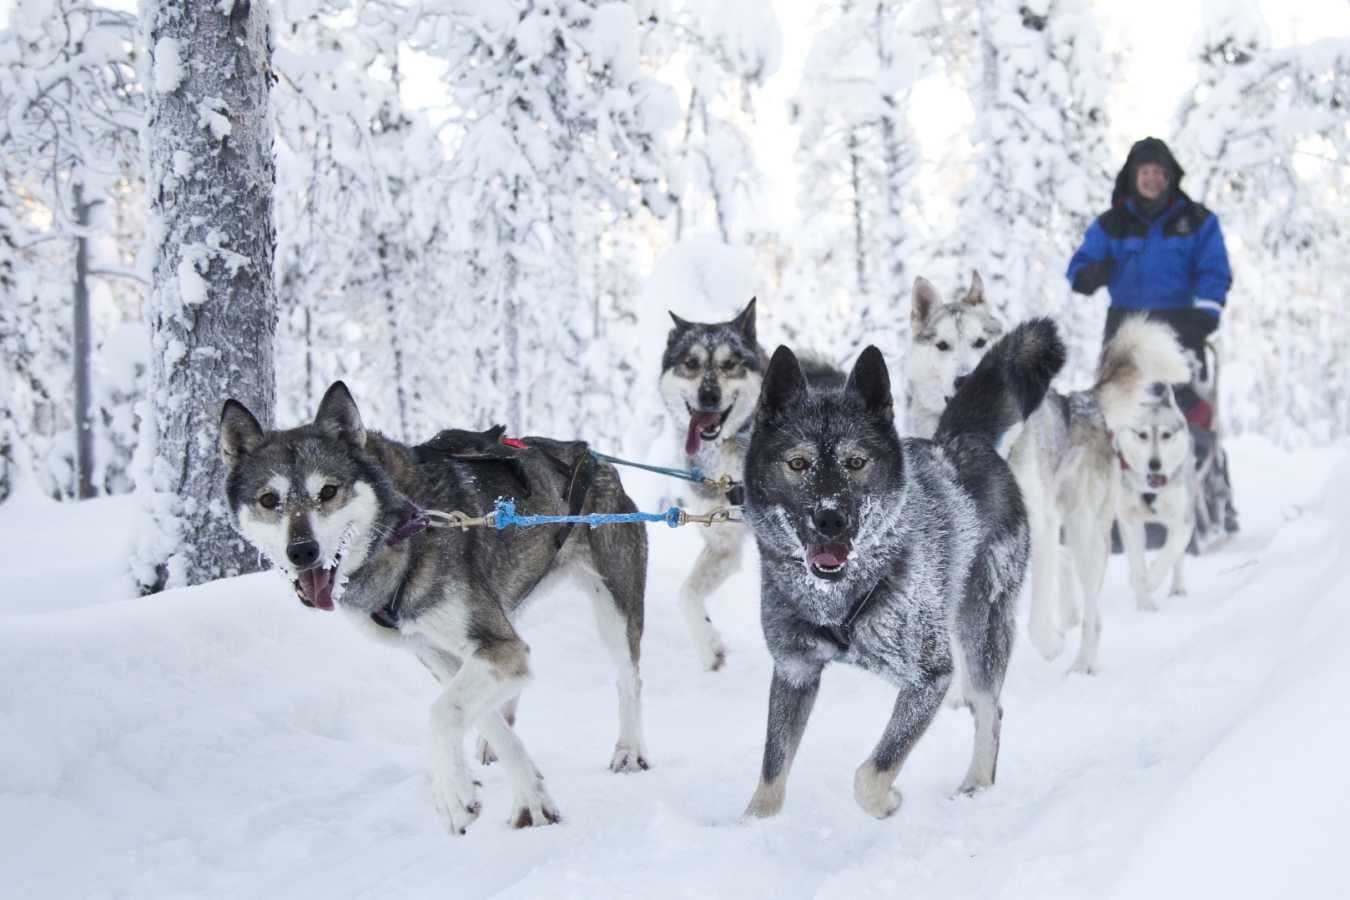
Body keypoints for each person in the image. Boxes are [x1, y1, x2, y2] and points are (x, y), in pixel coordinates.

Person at [1067, 136, 1239, 546]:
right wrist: (1091, 273)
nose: (1152, 179)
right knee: (1116, 418)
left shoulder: (1196, 221)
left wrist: (1205, 313)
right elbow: (1079, 269)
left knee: (1189, 414)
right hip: (1126, 333)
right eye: (1145, 173)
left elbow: (1215, 270)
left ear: (1170, 177)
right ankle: (1112, 511)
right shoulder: (1112, 224)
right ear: (1132, 178)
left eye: (1159, 173)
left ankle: (1204, 501)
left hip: (1183, 329)